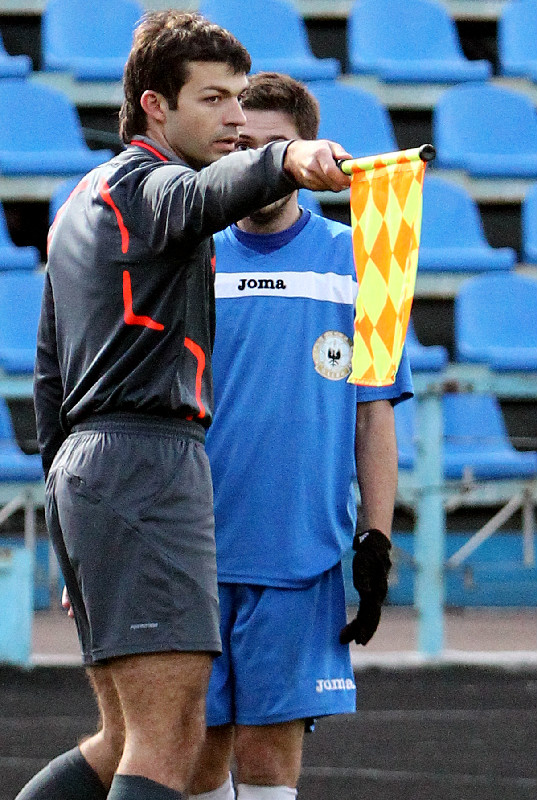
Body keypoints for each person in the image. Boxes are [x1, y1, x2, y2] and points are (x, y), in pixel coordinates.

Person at [20, 11, 352, 800]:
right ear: (154, 106)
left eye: (240, 97)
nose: (235, 117)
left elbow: (48, 381)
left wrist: (75, 526)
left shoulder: (82, 200)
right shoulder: (153, 188)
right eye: (213, 98)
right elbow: (206, 192)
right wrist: (288, 158)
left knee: (119, 743)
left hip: (89, 472)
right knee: (168, 742)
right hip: (146, 465)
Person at [187, 73, 413, 800]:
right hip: (188, 550)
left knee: (267, 758)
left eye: (276, 146)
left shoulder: (365, 260)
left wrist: (375, 540)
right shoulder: (190, 255)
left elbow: (374, 413)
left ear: (307, 154)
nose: (261, 162)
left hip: (299, 551)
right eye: (245, 147)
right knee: (193, 758)